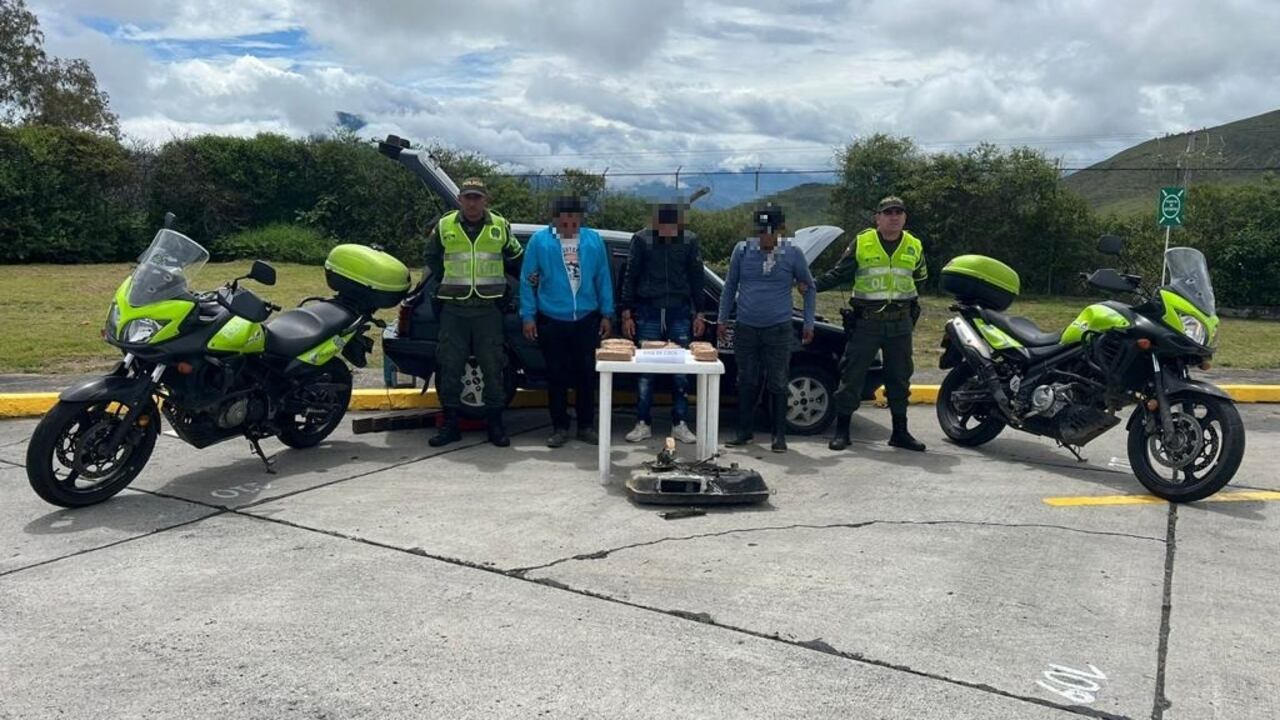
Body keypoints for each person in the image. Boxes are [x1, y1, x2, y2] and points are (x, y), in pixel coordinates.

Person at [815, 195, 927, 452]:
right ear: (878, 218)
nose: (894, 217)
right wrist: (811, 285)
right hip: (867, 324)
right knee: (852, 376)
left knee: (900, 379)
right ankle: (843, 431)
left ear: (905, 217)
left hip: (900, 324)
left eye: (899, 212)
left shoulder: (914, 245)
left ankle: (900, 432)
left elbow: (920, 278)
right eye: (888, 212)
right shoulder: (863, 242)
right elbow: (839, 273)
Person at [424, 178, 525, 448]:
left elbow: (516, 259)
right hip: (454, 310)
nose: (472, 202)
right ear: (460, 199)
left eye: (477, 197)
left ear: (485, 200)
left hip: (488, 311)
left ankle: (495, 425)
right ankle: (450, 425)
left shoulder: (500, 227)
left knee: (493, 369)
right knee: (450, 369)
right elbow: (432, 257)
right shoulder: (445, 225)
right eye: (467, 197)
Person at [717, 205, 816, 453]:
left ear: (781, 230)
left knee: (778, 381)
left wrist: (808, 322)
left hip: (779, 328)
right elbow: (730, 286)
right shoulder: (742, 251)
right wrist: (721, 319)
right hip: (746, 326)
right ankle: (744, 432)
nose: (765, 237)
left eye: (770, 231)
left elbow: (809, 287)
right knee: (747, 380)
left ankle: (778, 436)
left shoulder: (793, 253)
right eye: (761, 231)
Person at [519, 196, 614, 448]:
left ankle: (586, 426)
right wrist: (528, 316)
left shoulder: (593, 240)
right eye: (564, 218)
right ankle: (559, 426)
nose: (569, 223)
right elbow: (527, 280)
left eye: (574, 218)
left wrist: (607, 312)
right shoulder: (539, 241)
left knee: (586, 375)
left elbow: (603, 278)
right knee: (556, 376)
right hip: (551, 317)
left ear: (580, 219)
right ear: (555, 218)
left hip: (586, 317)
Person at [619, 202, 705, 444]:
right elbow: (630, 275)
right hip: (648, 310)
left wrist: (700, 313)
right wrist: (626, 311)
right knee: (645, 370)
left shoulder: (689, 241)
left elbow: (697, 276)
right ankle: (643, 422)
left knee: (682, 370)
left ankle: (680, 423)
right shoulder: (641, 239)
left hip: (679, 310)